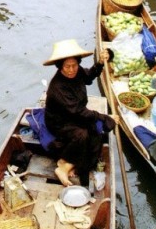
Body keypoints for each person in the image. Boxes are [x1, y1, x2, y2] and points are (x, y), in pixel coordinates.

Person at [43, 39, 116, 187]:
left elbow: (88, 76)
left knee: (95, 134)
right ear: (60, 67)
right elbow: (78, 111)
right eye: (67, 66)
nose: (71, 70)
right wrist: (105, 117)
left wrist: (100, 63)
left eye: (74, 65)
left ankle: (68, 165)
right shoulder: (57, 87)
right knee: (82, 135)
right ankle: (63, 167)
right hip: (60, 121)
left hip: (75, 115)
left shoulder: (78, 71)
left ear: (78, 64)